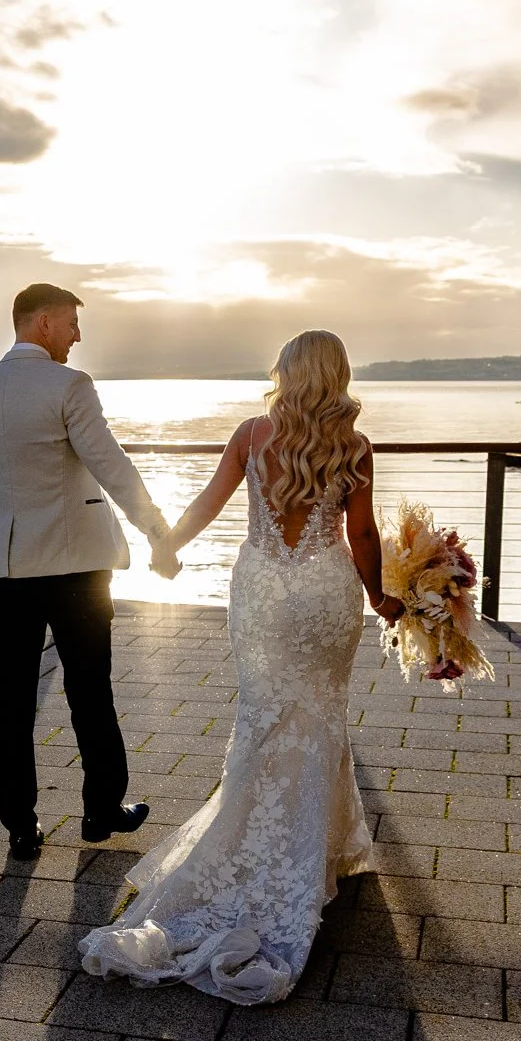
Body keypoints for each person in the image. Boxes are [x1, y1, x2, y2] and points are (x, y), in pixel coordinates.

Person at [78, 329, 403, 1005]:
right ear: (336, 377)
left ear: (287, 373)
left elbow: (208, 501)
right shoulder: (355, 448)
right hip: (323, 594)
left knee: (263, 715)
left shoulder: (252, 435)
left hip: (261, 592)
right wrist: (379, 594)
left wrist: (166, 547)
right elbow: (363, 534)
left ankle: (280, 841)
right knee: (319, 714)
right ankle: (316, 850)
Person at [0, 283, 172, 862]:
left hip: (7, 566)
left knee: (11, 698)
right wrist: (155, 528)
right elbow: (111, 464)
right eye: (73, 322)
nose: (78, 334)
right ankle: (101, 811)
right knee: (89, 689)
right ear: (43, 322)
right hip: (76, 567)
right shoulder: (70, 386)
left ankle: (21, 826)